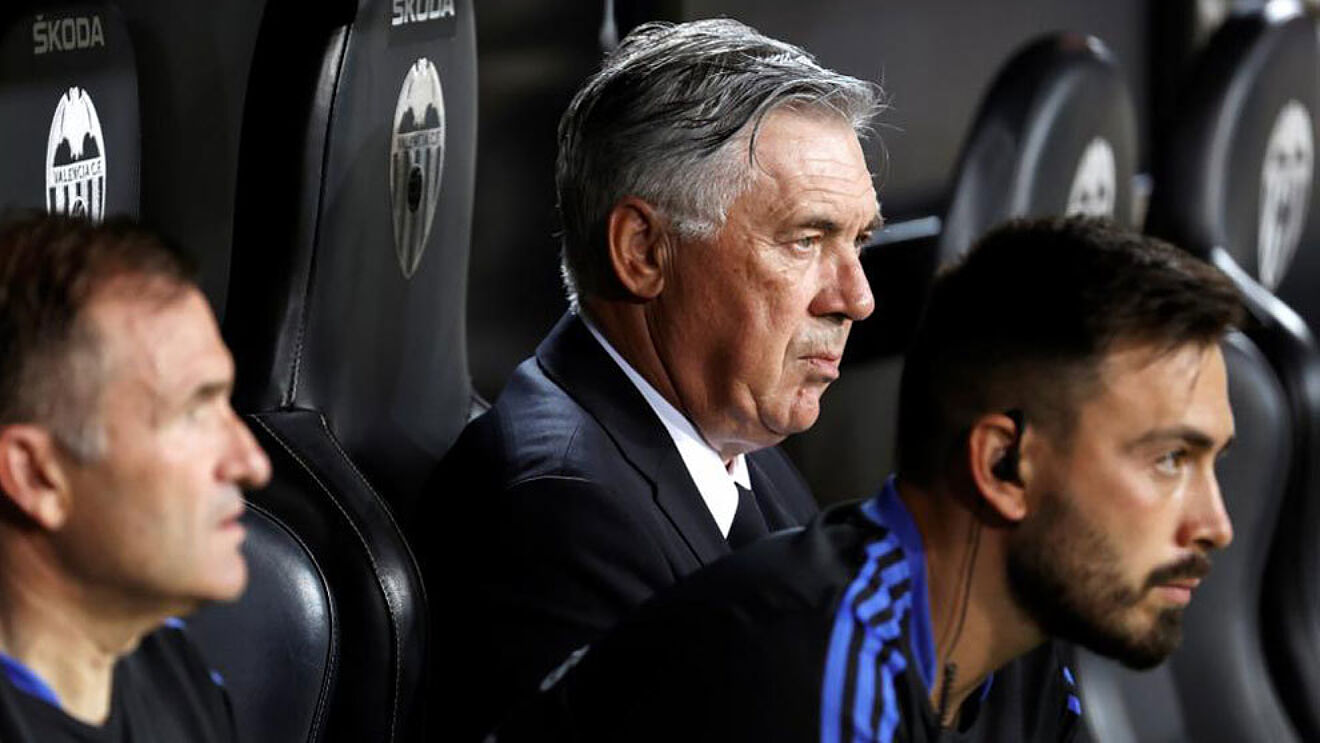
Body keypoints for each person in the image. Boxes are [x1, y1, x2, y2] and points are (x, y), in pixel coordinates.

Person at [492, 217, 1242, 742]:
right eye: (1169, 459)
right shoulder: (815, 665)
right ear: (1003, 466)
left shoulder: (1021, 648)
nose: (1215, 523)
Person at [426, 18, 883, 739]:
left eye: (858, 242)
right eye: (806, 240)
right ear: (643, 251)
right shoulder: (561, 512)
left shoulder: (736, 448)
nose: (856, 298)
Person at [0, 214, 272, 742]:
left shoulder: (176, 676)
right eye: (192, 414)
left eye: (227, 405)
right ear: (37, 476)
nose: (252, 463)